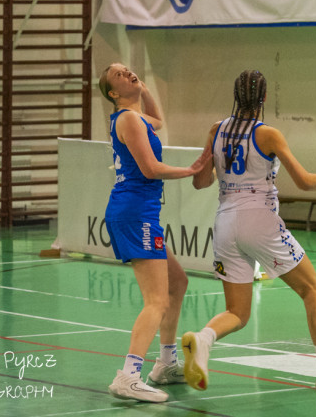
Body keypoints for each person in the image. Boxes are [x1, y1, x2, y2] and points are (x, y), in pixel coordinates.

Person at [181, 69, 316, 394]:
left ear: (235, 95)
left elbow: (200, 181)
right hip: (259, 220)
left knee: (237, 311)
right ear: (263, 98)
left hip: (224, 222)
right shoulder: (268, 134)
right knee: (312, 290)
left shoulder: (215, 130)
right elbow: (304, 181)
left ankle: (203, 339)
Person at [99, 63, 208, 403]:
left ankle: (165, 364)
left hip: (139, 212)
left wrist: (145, 90)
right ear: (113, 93)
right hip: (135, 213)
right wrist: (191, 169)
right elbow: (150, 168)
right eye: (119, 75)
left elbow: (158, 121)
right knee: (157, 300)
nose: (127, 73)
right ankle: (128, 375)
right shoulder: (128, 119)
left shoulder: (134, 117)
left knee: (177, 283)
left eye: (128, 69)